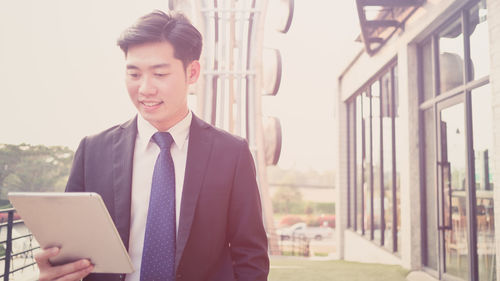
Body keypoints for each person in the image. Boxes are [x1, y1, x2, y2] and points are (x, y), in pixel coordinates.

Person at [35, 10, 269, 281]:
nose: (145, 89)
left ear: (192, 72)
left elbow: (251, 257)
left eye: (159, 74)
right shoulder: (93, 151)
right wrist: (56, 270)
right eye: (134, 74)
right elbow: (70, 248)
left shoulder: (231, 154)